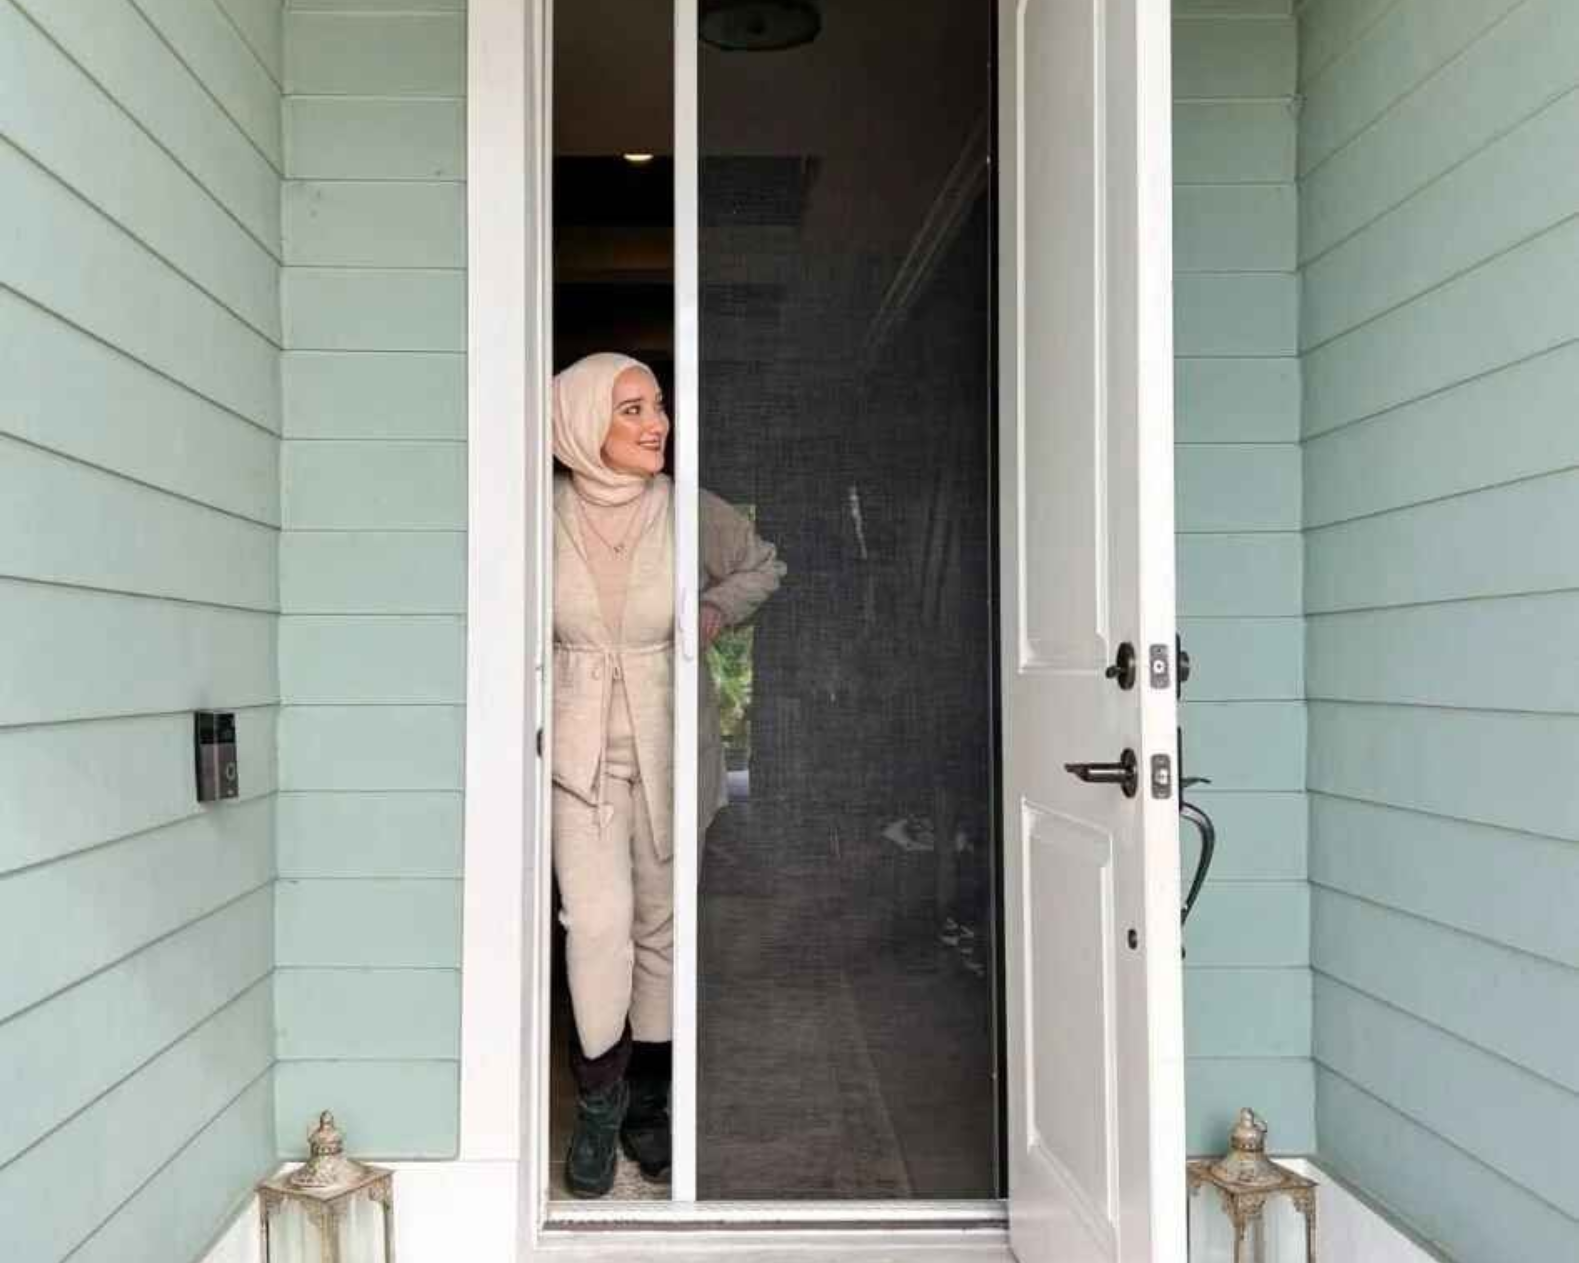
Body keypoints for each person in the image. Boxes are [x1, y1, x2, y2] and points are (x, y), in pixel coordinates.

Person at [550, 351, 786, 1197]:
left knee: (660, 924)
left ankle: (648, 1100)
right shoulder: (540, 512)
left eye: (657, 406)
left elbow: (764, 563)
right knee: (596, 923)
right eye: (633, 410)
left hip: (670, 745)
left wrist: (716, 605)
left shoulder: (686, 510)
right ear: (583, 421)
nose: (658, 424)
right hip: (574, 756)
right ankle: (599, 1101)